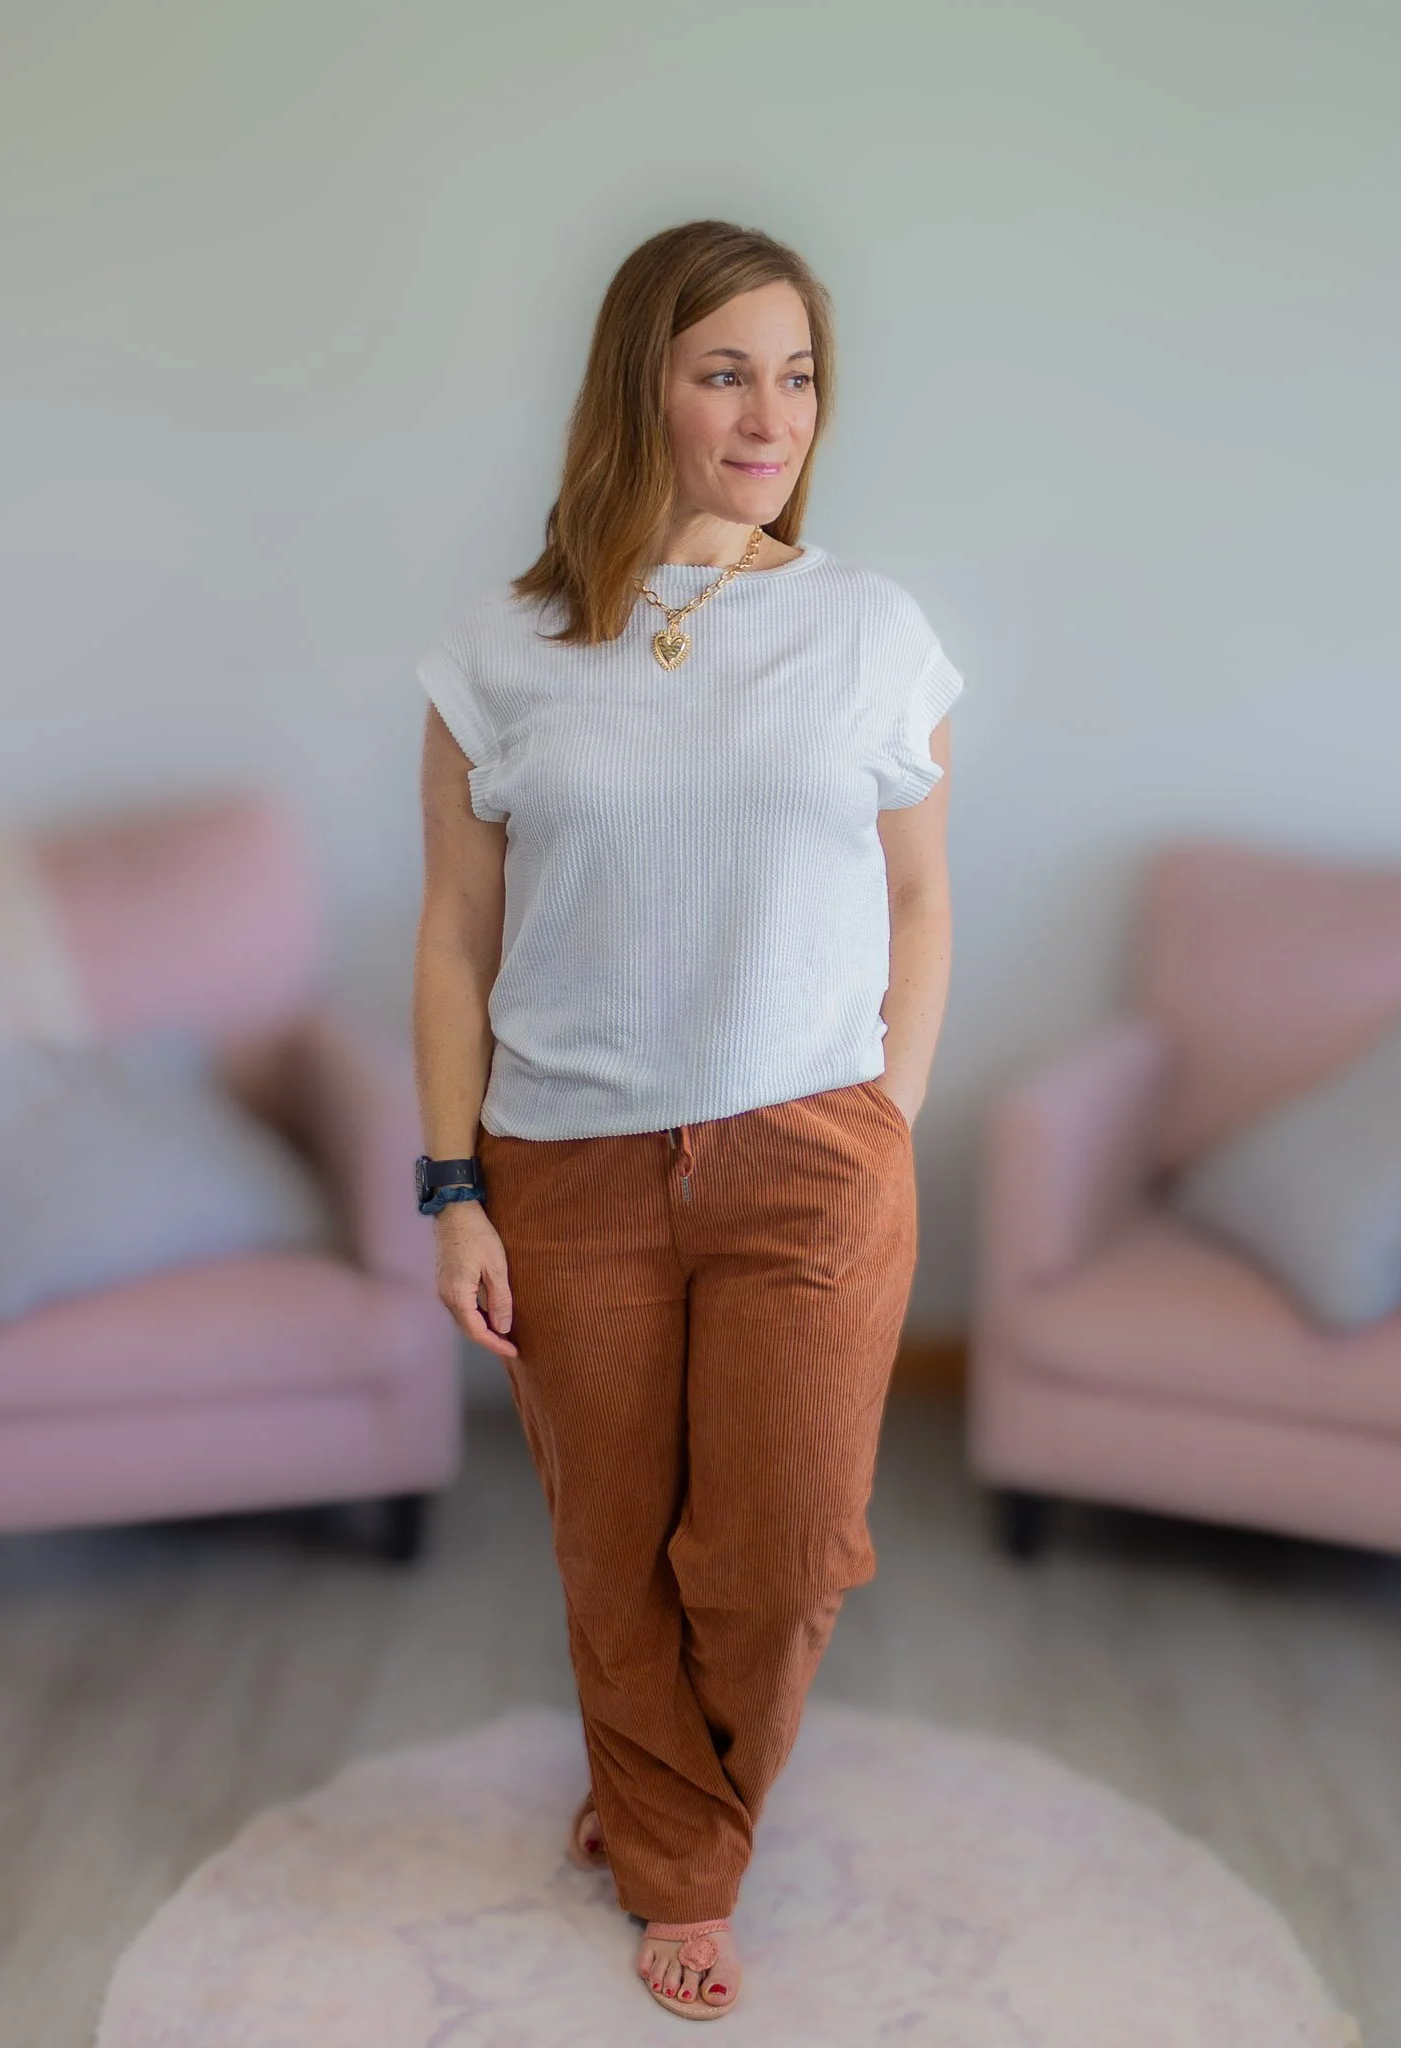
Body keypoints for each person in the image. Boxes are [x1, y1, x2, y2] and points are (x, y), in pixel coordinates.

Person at [409, 217, 962, 2022]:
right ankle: (681, 1863)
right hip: (565, 1168)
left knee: (781, 1557)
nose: (771, 414)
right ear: (636, 386)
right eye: (726, 371)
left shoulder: (870, 630)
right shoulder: (496, 651)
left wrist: (885, 1123)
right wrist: (453, 1188)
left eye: (797, 376)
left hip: (811, 1157)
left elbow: (921, 902)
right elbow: (455, 934)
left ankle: (665, 1811)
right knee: (613, 1548)